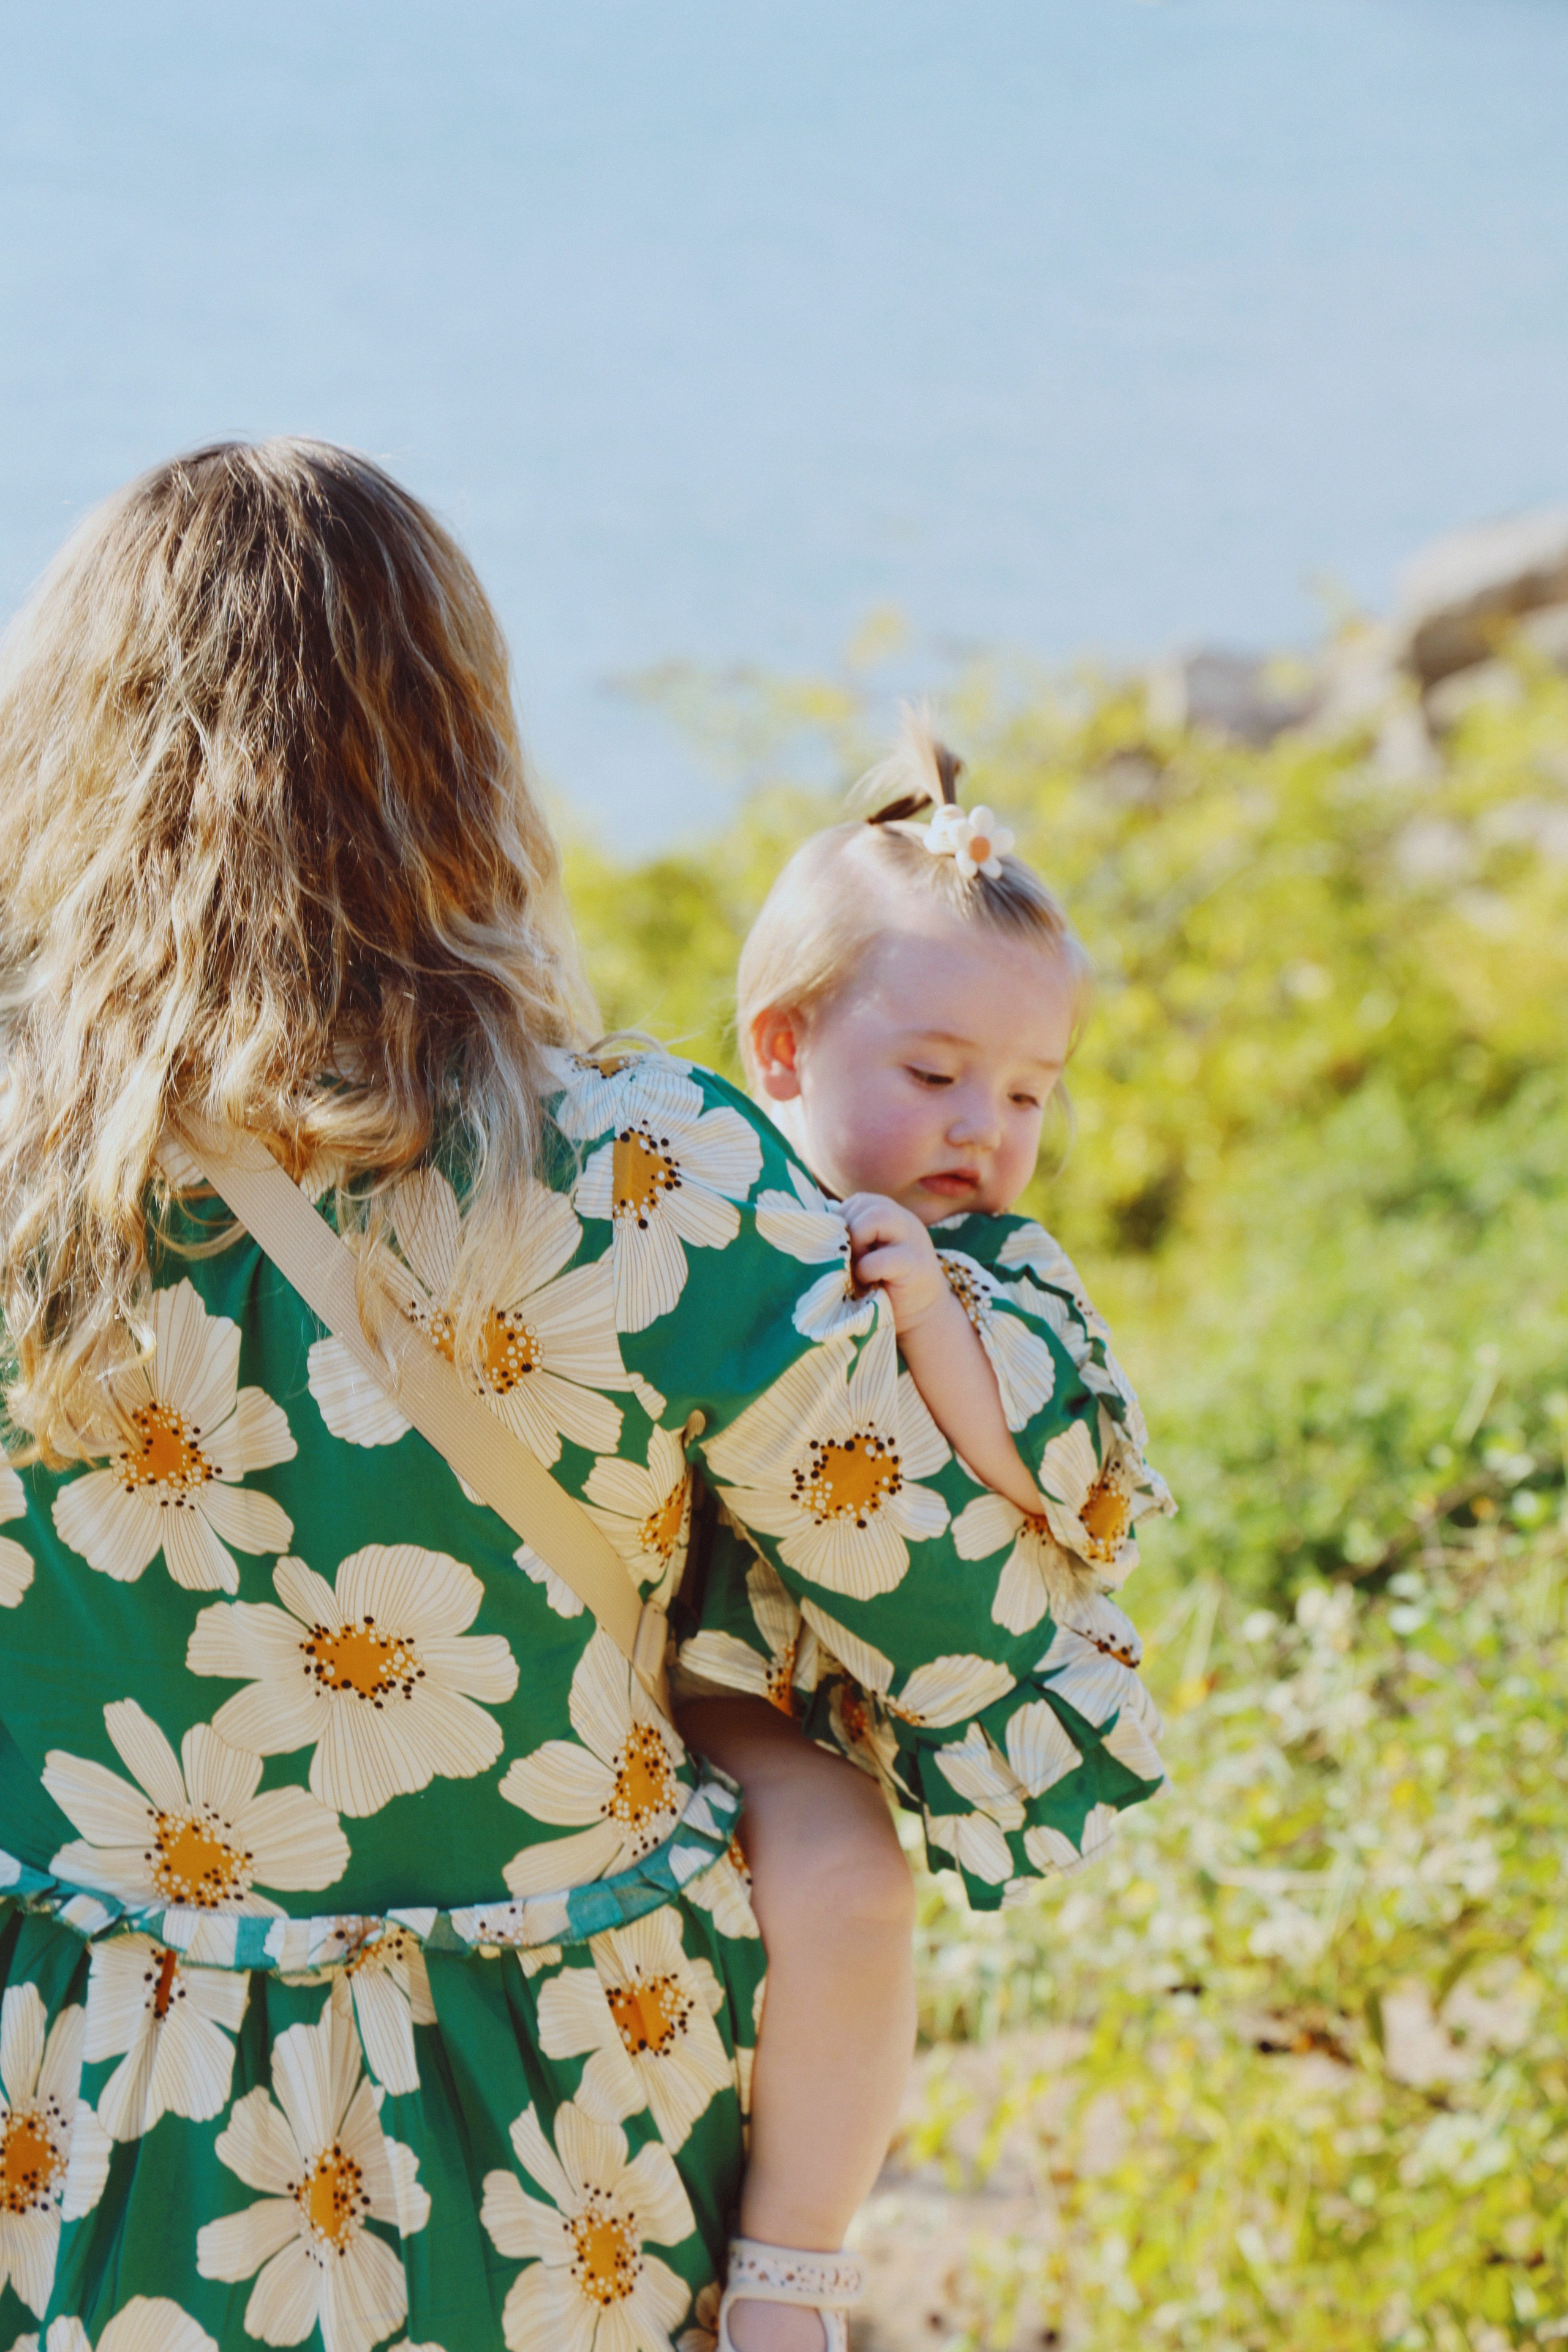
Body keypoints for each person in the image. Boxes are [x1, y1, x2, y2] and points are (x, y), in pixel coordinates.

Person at [0, 440, 1166, 2352]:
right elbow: (975, 1630)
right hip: (554, 2156)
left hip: (72, 2128)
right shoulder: (658, 1177)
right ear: (460, 752)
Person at [674, 730, 1173, 2349]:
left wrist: (932, 1306)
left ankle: (795, 2273)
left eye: (1029, 1093)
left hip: (778, 1695)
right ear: (784, 1051)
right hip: (610, 1659)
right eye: (939, 1074)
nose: (986, 1129)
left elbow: (1049, 1475)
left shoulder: (1002, 1276)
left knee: (852, 1882)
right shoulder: (701, 1208)